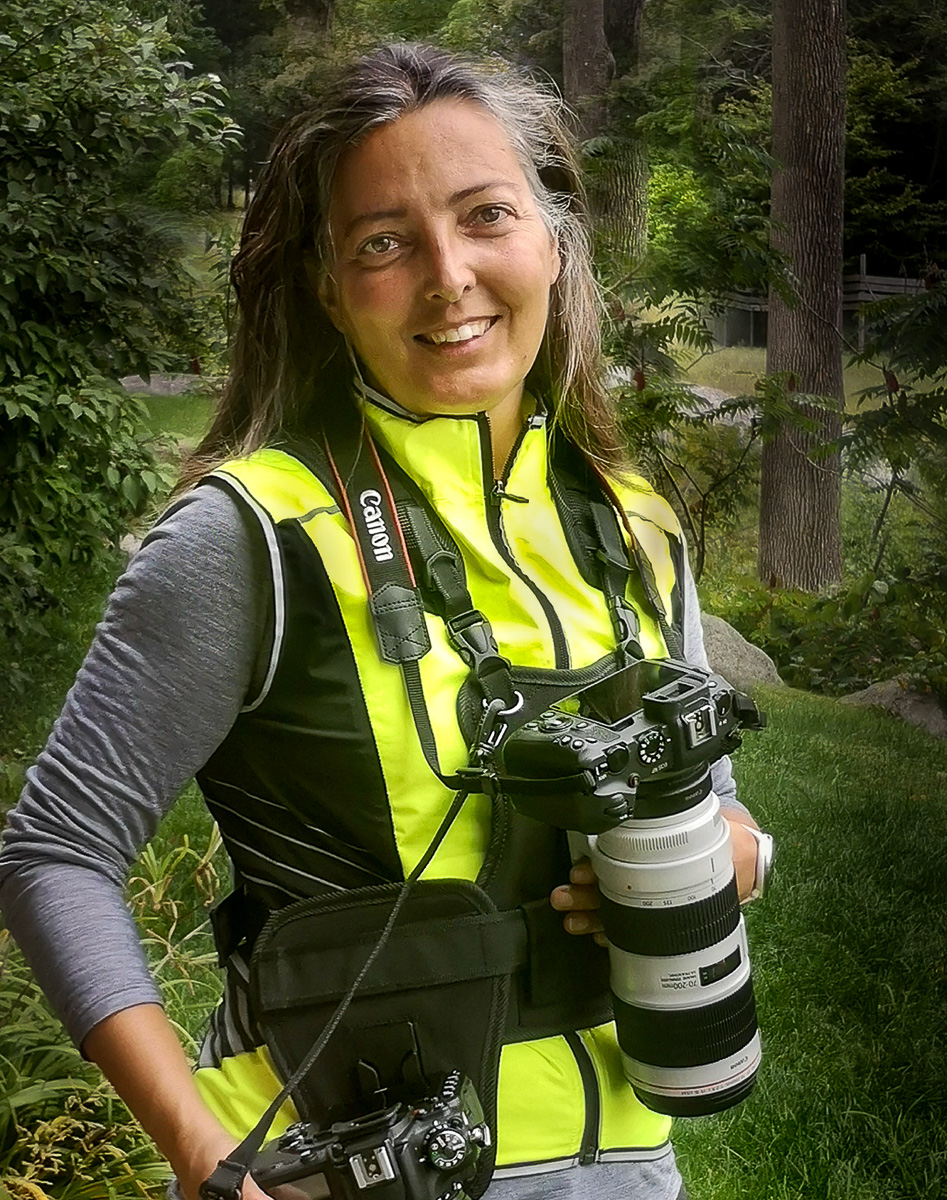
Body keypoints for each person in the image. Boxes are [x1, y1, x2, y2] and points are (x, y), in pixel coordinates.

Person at [0, 42, 765, 1200]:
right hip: (337, 1169)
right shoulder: (250, 535)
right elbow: (53, 853)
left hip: (623, 1164)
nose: (447, 275)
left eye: (484, 216)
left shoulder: (634, 524)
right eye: (384, 242)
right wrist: (210, 1165)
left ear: (553, 240)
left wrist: (736, 850)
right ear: (325, 285)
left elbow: (711, 805)